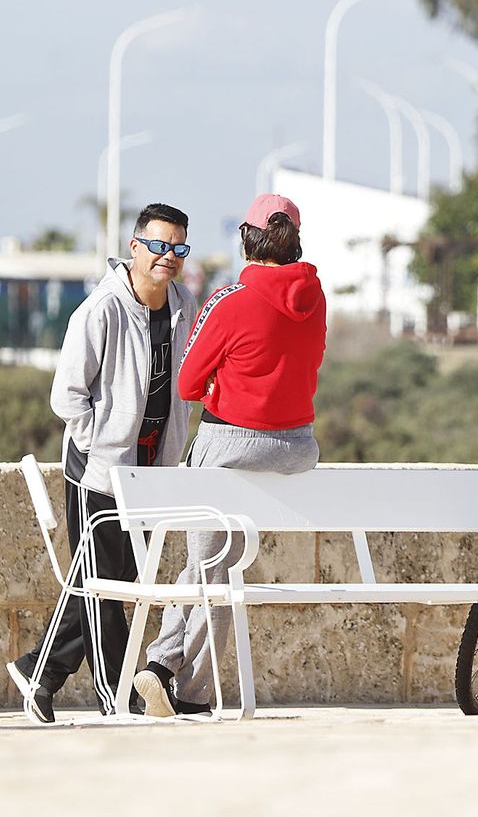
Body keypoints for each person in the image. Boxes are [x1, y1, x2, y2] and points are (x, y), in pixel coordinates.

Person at [133, 193, 327, 717]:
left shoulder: (229, 298)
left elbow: (190, 384)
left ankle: (159, 665)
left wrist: (224, 390)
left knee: (204, 564)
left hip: (230, 445)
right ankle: (191, 691)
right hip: (296, 448)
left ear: (247, 238)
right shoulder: (316, 298)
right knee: (219, 569)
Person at [6, 203, 198, 724]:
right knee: (100, 585)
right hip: (97, 470)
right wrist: (103, 446)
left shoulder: (184, 306)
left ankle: (42, 670)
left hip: (150, 471)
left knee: (113, 583)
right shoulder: (100, 310)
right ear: (135, 247)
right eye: (159, 246)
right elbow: (66, 396)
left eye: (179, 248)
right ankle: (90, 689)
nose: (169, 257)